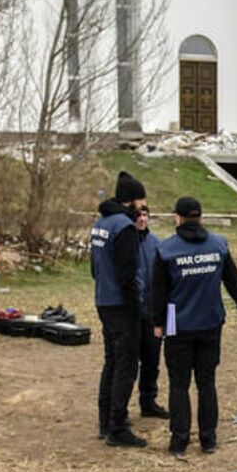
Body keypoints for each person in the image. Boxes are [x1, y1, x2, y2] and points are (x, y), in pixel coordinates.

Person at [150, 197, 237, 456]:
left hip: (178, 325)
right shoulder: (218, 245)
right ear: (200, 217)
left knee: (179, 384)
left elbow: (158, 292)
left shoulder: (166, 250)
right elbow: (233, 281)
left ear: (177, 217)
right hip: (210, 323)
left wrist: (158, 323)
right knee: (206, 383)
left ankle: (179, 441)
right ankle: (208, 439)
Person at [92, 171, 147, 447]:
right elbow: (128, 273)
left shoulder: (101, 223)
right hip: (121, 305)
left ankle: (105, 421)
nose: (143, 204)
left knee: (111, 361)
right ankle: (117, 427)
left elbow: (95, 267)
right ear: (131, 201)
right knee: (126, 365)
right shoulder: (124, 228)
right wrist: (135, 305)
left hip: (103, 300)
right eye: (141, 199)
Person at [134, 206, 167, 420]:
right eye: (139, 215)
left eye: (146, 215)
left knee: (151, 360)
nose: (142, 219)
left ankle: (148, 401)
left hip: (152, 312)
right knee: (128, 363)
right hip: (132, 312)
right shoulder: (126, 242)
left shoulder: (156, 243)